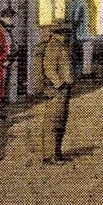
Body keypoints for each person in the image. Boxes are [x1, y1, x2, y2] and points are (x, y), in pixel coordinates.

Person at [36, 25, 74, 163]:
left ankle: (56, 153)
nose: (68, 35)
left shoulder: (61, 45)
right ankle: (51, 155)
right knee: (54, 122)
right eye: (66, 32)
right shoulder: (54, 46)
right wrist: (59, 83)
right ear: (60, 33)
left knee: (60, 122)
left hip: (63, 89)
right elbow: (49, 68)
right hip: (57, 89)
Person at [66, 0, 95, 75]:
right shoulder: (81, 2)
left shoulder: (87, 0)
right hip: (83, 31)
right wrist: (76, 30)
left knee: (87, 51)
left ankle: (86, 71)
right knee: (86, 51)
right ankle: (86, 72)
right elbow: (76, 17)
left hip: (87, 31)